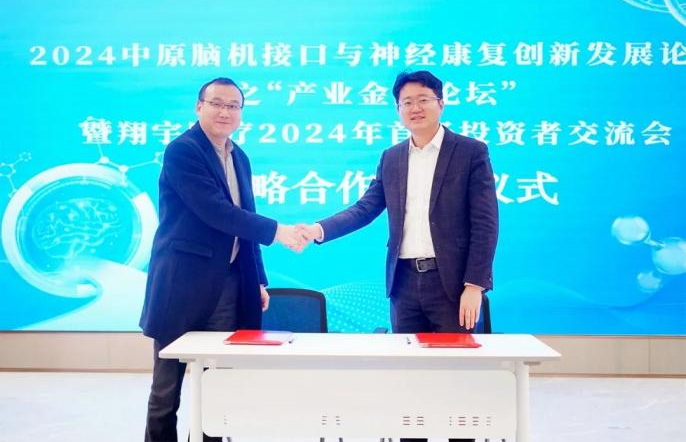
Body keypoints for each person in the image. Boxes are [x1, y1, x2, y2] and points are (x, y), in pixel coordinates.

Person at [298, 70, 499, 442]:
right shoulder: (391, 158)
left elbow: (485, 223)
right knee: (409, 381)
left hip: (452, 287)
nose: (415, 108)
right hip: (404, 285)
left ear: (441, 103)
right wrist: (318, 229)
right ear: (398, 110)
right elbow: (365, 209)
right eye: (407, 102)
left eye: (423, 99)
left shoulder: (470, 152)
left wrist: (475, 285)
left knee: (457, 381)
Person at [139, 77, 306, 442]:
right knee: (166, 391)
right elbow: (214, 211)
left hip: (229, 285)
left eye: (233, 106)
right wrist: (278, 231)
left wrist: (257, 279)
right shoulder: (182, 151)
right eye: (216, 103)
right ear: (199, 107)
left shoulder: (239, 157)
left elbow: (246, 217)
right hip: (182, 287)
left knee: (217, 388)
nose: (224, 112)